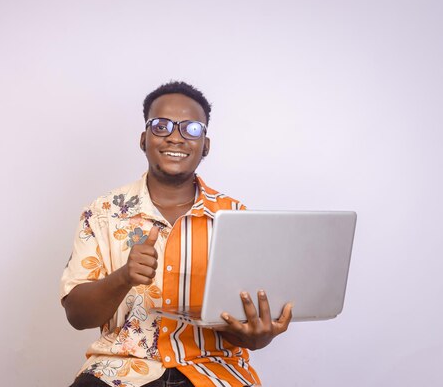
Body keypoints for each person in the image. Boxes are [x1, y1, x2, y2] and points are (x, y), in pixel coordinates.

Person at [60, 81, 293, 387]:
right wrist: (124, 277)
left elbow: (243, 328)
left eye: (191, 129)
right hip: (118, 373)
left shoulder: (235, 217)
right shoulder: (102, 213)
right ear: (144, 139)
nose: (175, 136)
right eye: (161, 126)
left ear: (205, 145)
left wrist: (258, 337)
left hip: (214, 372)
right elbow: (77, 316)